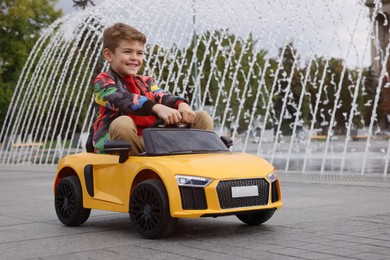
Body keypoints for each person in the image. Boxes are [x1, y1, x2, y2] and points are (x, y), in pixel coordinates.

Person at [91, 23, 213, 155]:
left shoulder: (146, 83)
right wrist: (156, 107)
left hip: (152, 142)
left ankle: (197, 162)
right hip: (121, 146)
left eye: (139, 53)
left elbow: (163, 96)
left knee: (202, 117)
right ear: (109, 55)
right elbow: (120, 99)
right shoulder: (103, 81)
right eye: (127, 51)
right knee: (122, 123)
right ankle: (134, 168)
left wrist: (181, 104)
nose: (134, 58)